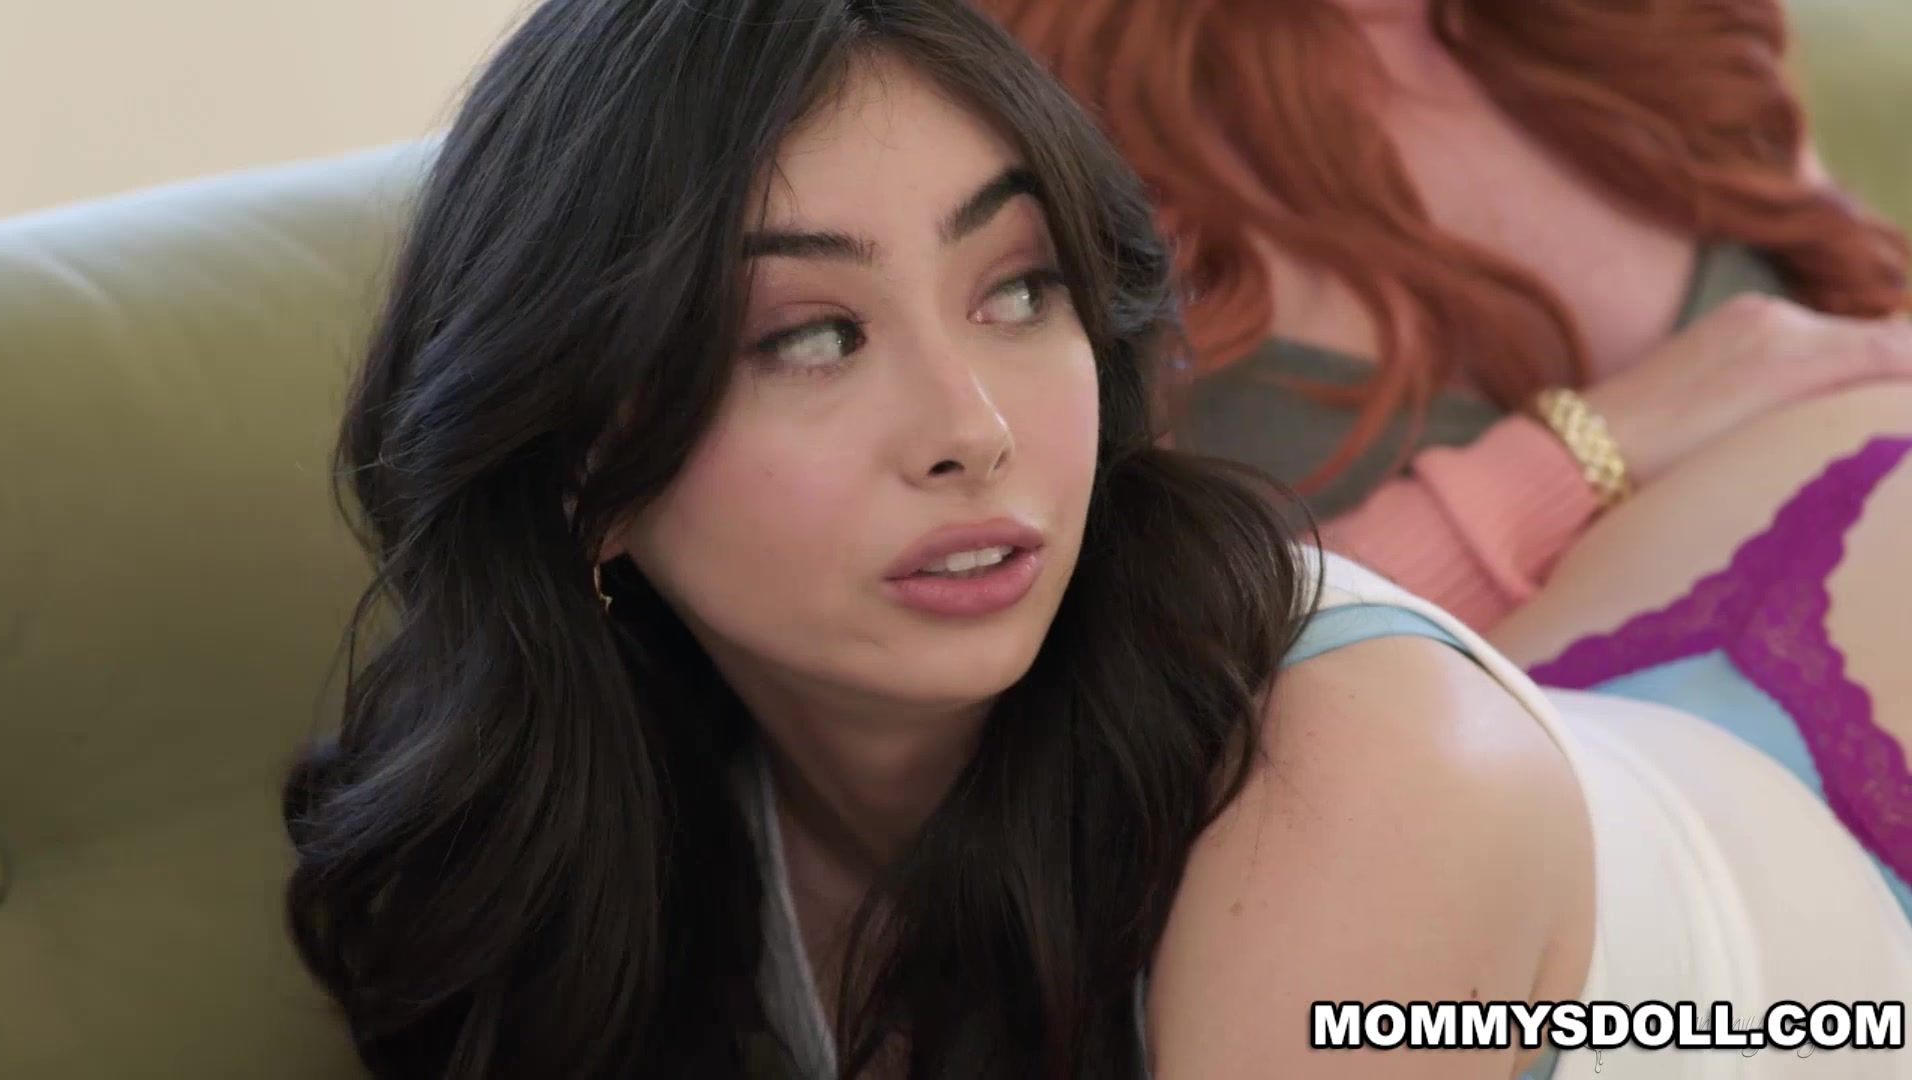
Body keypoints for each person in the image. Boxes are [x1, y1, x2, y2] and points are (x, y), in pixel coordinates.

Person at [282, 1, 1911, 1077]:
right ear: (583, 471)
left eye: (1017, 291)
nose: (972, 427)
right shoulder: (590, 831)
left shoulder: (1347, 802)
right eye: (812, 336)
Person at [982, 0, 1912, 916]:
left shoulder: (1669, 31)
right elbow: (1109, 689)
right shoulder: (1035, 84)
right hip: (1493, 906)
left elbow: (1869, 338)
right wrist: (1580, 456)